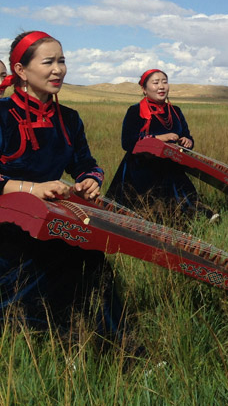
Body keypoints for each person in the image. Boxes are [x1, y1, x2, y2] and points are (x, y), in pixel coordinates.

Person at [0, 31, 125, 340]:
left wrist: (89, 181)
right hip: (7, 230)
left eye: (62, 61)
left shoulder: (69, 119)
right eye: (48, 62)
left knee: (90, 259)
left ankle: (114, 346)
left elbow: (87, 164)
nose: (58, 70)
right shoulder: (2, 116)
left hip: (52, 221)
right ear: (21, 70)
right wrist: (31, 188)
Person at [107, 69, 215, 223]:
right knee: (140, 216)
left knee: (180, 215)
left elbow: (187, 135)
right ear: (144, 89)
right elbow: (128, 142)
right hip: (140, 170)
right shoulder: (135, 111)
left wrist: (187, 141)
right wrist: (159, 139)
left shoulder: (175, 111)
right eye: (155, 82)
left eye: (164, 81)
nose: (161, 86)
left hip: (171, 168)